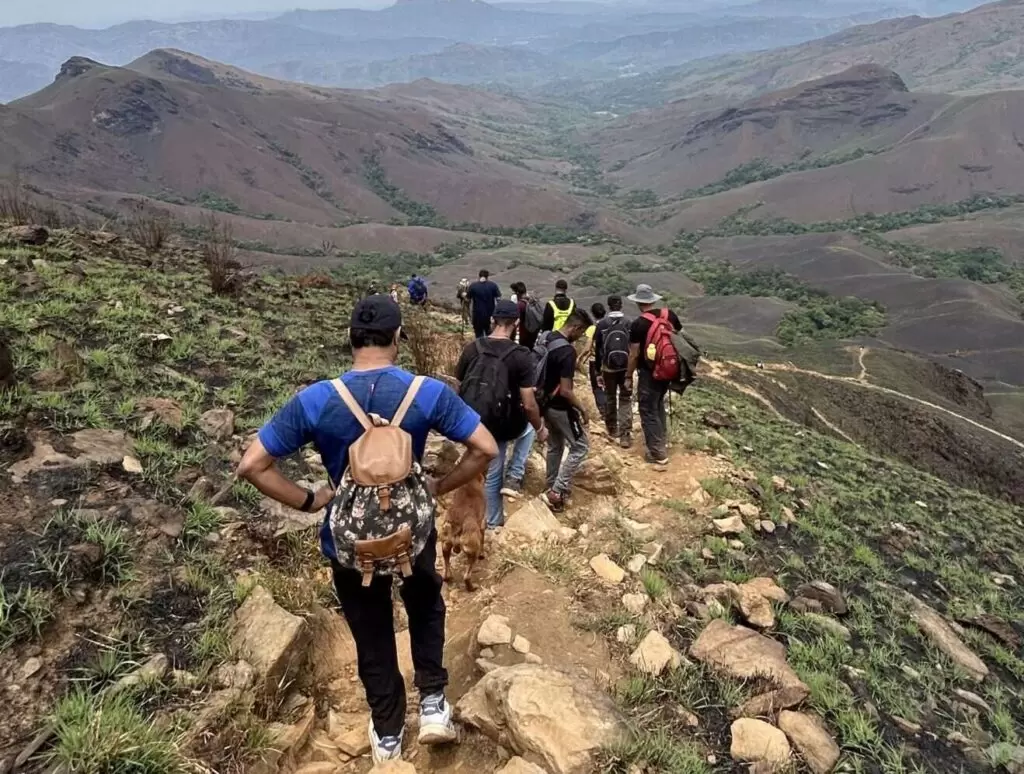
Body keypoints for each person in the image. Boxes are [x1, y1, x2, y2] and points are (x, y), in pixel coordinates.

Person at [237, 295, 497, 763]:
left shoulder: (317, 399)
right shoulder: (425, 392)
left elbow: (253, 465)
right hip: (411, 530)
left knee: (371, 627)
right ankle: (435, 704)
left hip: (350, 540)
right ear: (398, 339)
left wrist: (311, 499)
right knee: (424, 604)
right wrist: (438, 486)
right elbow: (485, 448)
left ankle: (388, 731)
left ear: (350, 339)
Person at [454, 300, 547, 527]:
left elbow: (458, 385)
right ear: (516, 323)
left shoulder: (472, 348)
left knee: (476, 466)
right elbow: (529, 404)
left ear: (492, 320)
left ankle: (464, 517)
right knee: (523, 436)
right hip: (501, 424)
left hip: (470, 421)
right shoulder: (521, 356)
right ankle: (494, 519)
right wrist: (541, 428)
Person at [536, 307, 593, 512]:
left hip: (544, 402)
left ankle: (551, 484)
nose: (580, 337)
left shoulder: (547, 338)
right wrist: (583, 409)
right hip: (560, 405)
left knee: (555, 446)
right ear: (575, 327)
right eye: (581, 332)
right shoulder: (567, 351)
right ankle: (557, 491)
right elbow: (567, 391)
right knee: (580, 447)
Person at [626, 284, 682, 466]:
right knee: (658, 404)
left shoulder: (638, 324)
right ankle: (662, 441)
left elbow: (634, 354)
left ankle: (657, 453)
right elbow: (678, 339)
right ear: (653, 299)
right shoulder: (669, 315)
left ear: (638, 302)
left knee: (648, 409)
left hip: (649, 373)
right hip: (668, 370)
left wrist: (628, 375)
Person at [593, 294, 633, 448]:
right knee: (625, 398)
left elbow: (598, 350)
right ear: (621, 305)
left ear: (608, 306)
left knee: (610, 397)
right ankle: (625, 435)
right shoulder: (628, 322)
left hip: (608, 368)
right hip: (625, 367)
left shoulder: (602, 324)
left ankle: (611, 429)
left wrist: (597, 372)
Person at [582, 302, 608, 417]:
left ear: (592, 314)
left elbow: (588, 348)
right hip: (609, 361)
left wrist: (579, 358)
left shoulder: (592, 328)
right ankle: (610, 410)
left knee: (597, 387)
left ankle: (603, 411)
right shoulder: (609, 325)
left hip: (595, 361)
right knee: (608, 386)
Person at [467, 270, 501, 339]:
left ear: (479, 276)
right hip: (490, 315)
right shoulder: (493, 285)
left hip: (477, 315)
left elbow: (468, 299)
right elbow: (498, 298)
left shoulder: (473, 286)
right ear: (487, 276)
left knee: (479, 335)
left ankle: (480, 348)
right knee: (490, 335)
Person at [517, 283, 543, 351]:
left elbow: (518, 319)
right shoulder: (533, 301)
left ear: (517, 293)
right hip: (534, 331)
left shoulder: (520, 304)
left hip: (525, 333)